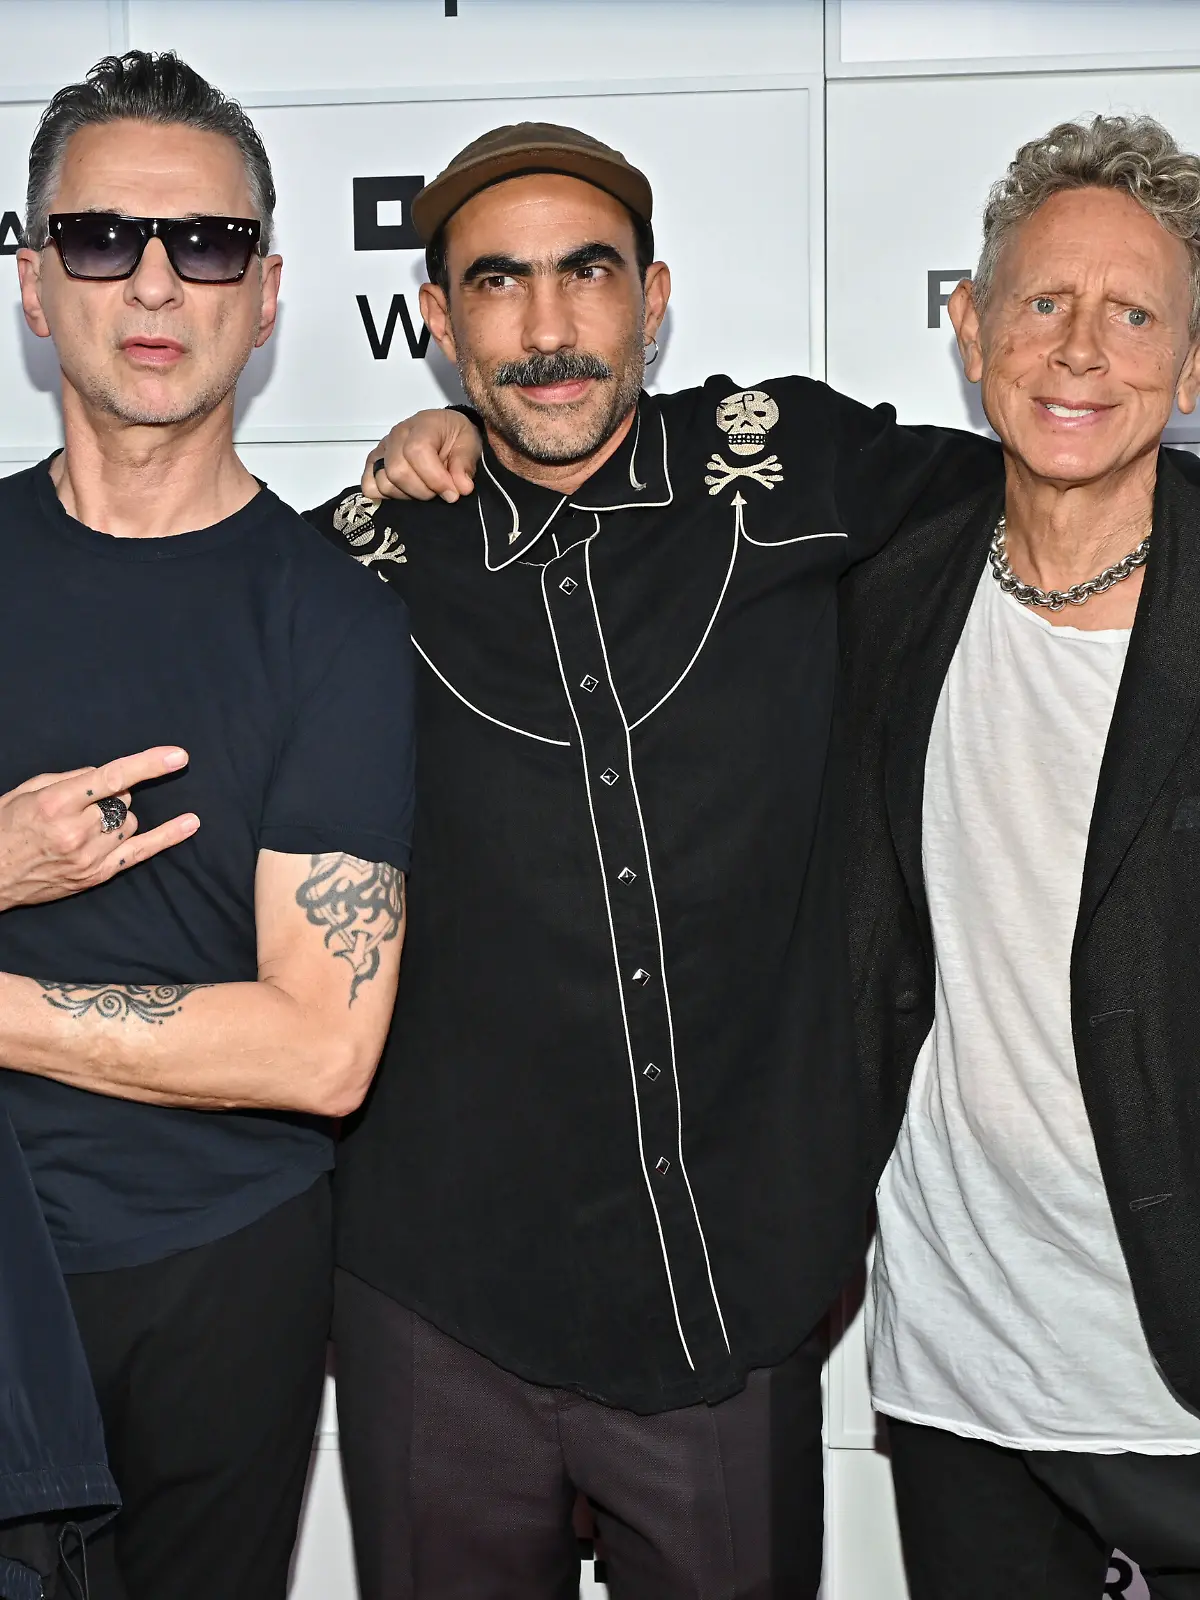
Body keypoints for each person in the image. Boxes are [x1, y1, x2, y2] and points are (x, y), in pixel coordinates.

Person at [309, 120, 996, 1598]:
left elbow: (1066, 490)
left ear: (655, 296)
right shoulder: (356, 560)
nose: (547, 328)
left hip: (727, 1303)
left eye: (587, 275)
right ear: (436, 321)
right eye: (497, 285)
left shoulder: (791, 464)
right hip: (436, 1301)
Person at [1, 51, 416, 1600]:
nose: (157, 281)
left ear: (269, 290)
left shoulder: (335, 622)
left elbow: (319, 1049)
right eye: (102, 239)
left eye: (210, 243)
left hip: (218, 1268)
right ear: (37, 286)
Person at [839, 115, 1200, 1598]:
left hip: (1173, 1378)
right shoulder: (885, 565)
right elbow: (629, 463)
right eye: (1044, 303)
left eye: (1135, 316)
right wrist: (449, 438)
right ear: (969, 324)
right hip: (956, 1367)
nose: (1081, 353)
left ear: (1189, 364)